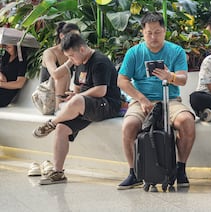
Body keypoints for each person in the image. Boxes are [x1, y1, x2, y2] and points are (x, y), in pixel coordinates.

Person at [117, 12, 195, 190]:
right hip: (141, 100)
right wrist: (141, 99)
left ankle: (180, 169)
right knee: (129, 125)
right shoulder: (134, 53)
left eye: (157, 32)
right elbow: (122, 80)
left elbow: (183, 79)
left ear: (164, 31)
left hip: (170, 99)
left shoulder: (176, 51)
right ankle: (134, 172)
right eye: (149, 33)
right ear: (143, 33)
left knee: (187, 122)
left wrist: (171, 76)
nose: (153, 37)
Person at [32, 32, 121, 185]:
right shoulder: (79, 64)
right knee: (61, 129)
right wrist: (72, 96)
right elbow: (79, 90)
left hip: (107, 104)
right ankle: (58, 172)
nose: (70, 60)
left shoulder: (100, 61)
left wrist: (77, 98)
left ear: (81, 49)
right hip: (86, 105)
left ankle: (50, 124)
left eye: (72, 56)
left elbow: (101, 91)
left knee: (77, 101)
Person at [40, 22, 80, 111]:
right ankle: (59, 109)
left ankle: (63, 105)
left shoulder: (75, 52)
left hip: (65, 94)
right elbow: (55, 74)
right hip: (46, 98)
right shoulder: (49, 53)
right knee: (63, 73)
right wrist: (71, 60)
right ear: (61, 36)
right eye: (72, 37)